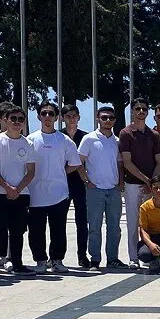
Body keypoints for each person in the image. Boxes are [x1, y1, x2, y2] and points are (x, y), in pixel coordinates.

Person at [26, 102, 82, 273]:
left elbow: (75, 163)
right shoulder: (30, 140)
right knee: (36, 230)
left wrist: (60, 171)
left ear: (57, 117)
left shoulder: (64, 140)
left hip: (59, 193)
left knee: (58, 229)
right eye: (44, 113)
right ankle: (40, 261)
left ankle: (57, 260)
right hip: (35, 193)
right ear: (38, 116)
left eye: (51, 114)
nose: (47, 117)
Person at [0, 105, 35, 276]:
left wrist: (18, 189)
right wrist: (7, 187)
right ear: (5, 120)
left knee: (17, 231)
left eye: (20, 119)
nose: (16, 122)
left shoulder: (28, 143)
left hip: (21, 195)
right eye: (13, 118)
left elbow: (31, 171)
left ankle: (17, 264)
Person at [79, 106, 123, 270]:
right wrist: (86, 181)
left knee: (114, 227)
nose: (107, 120)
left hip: (113, 189)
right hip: (95, 190)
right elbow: (79, 161)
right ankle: (95, 259)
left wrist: (121, 183)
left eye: (111, 118)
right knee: (94, 227)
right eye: (104, 117)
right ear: (98, 119)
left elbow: (120, 163)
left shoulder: (117, 141)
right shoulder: (89, 139)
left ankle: (112, 258)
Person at [119, 99, 160, 268]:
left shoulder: (154, 135)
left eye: (144, 108)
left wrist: (153, 183)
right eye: (138, 108)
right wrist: (146, 180)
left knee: (151, 222)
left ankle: (152, 255)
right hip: (132, 185)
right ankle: (133, 257)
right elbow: (127, 162)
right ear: (132, 111)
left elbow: (159, 161)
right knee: (133, 222)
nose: (141, 111)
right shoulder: (125, 133)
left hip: (151, 186)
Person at [61, 104, 91, 269]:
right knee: (59, 222)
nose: (71, 119)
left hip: (80, 184)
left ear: (79, 117)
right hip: (62, 183)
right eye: (68, 116)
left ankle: (82, 255)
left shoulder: (85, 137)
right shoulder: (58, 136)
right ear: (62, 118)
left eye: (74, 116)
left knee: (82, 221)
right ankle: (57, 256)